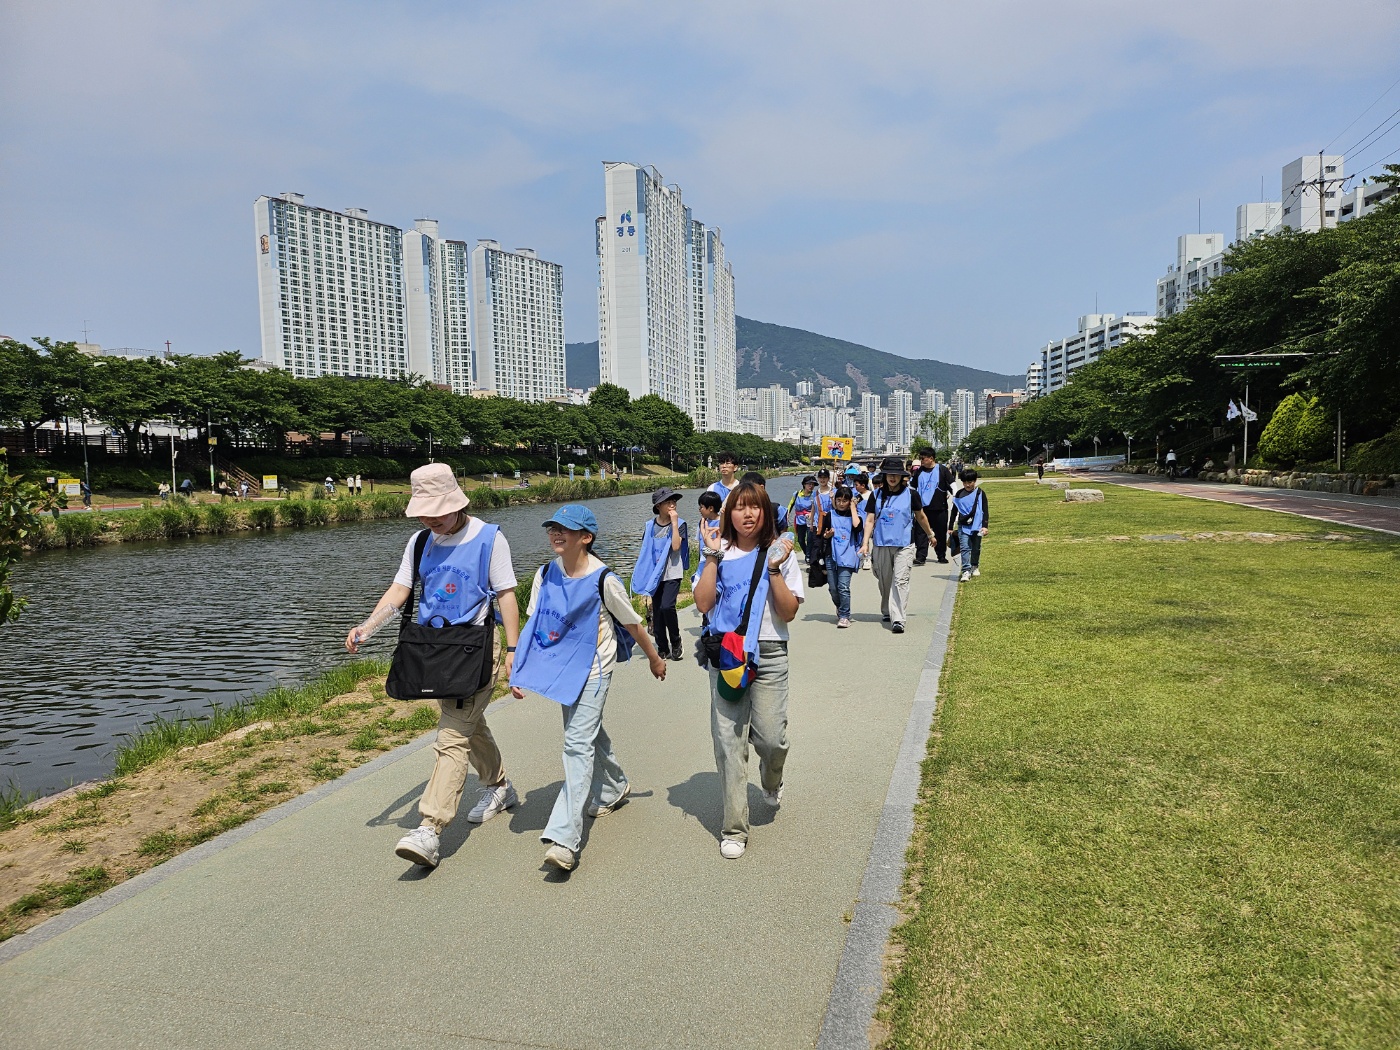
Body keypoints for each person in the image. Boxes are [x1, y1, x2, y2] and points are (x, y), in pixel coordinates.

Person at [346, 463, 522, 870]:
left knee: (452, 733)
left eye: (437, 512)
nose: (431, 519)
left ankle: (430, 827)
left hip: (475, 647)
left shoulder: (489, 538)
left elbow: (507, 596)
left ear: (457, 503)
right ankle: (499, 786)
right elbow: (401, 589)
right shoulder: (420, 541)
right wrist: (368, 627)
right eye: (423, 513)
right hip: (434, 649)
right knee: (468, 724)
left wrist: (514, 649)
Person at [510, 504, 667, 872]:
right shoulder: (545, 573)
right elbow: (535, 623)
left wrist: (655, 659)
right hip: (562, 667)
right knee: (585, 732)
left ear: (586, 537)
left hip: (595, 666)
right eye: (552, 528)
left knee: (576, 742)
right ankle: (614, 786)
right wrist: (518, 668)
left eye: (565, 529)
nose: (555, 534)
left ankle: (565, 837)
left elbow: (633, 625)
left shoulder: (604, 579)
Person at [694, 481, 803, 860]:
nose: (747, 514)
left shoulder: (781, 552)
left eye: (754, 507)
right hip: (726, 654)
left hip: (770, 653)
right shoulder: (718, 552)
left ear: (765, 512)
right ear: (728, 514)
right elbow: (703, 602)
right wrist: (709, 558)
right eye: (738, 507)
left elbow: (789, 612)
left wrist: (773, 568)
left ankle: (772, 780)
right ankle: (735, 828)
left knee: (771, 739)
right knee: (728, 744)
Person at [861, 456, 935, 635]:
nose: (892, 478)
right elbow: (870, 520)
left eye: (896, 474)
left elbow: (921, 516)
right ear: (884, 476)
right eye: (888, 474)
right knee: (885, 580)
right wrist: (865, 544)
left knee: (900, 580)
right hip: (881, 543)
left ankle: (899, 618)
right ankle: (887, 609)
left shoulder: (911, 494)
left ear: (902, 476)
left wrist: (930, 534)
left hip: (904, 544)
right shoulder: (876, 494)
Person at [631, 487, 689, 661]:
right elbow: (645, 551)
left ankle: (676, 641)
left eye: (674, 501)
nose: (672, 505)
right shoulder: (650, 526)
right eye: (668, 502)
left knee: (667, 606)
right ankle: (662, 646)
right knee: (657, 610)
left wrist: (674, 523)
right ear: (658, 505)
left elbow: (676, 546)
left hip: (673, 572)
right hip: (654, 575)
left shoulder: (680, 524)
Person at [822, 485, 863, 628]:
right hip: (831, 555)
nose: (840, 503)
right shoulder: (829, 515)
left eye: (844, 501)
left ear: (849, 501)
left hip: (848, 555)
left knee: (843, 587)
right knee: (833, 588)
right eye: (838, 500)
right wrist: (827, 536)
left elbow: (857, 527)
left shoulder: (855, 516)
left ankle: (845, 615)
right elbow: (822, 535)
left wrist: (853, 508)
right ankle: (840, 607)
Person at [912, 448, 954, 565]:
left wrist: (956, 496)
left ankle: (941, 555)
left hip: (939, 508)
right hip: (922, 509)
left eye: (923, 459)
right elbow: (912, 487)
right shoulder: (919, 472)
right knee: (921, 533)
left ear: (931, 458)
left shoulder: (942, 470)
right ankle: (920, 557)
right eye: (920, 459)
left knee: (940, 532)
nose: (921, 461)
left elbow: (952, 484)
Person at [950, 469, 990, 583]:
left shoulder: (980, 493)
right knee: (965, 548)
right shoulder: (959, 494)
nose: (968, 485)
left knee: (976, 547)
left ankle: (974, 566)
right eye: (965, 482)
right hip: (963, 525)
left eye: (970, 482)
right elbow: (954, 510)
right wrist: (950, 526)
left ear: (975, 481)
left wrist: (985, 526)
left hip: (977, 525)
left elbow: (985, 511)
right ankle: (965, 570)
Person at [788, 476, 818, 563]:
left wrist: (811, 514)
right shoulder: (796, 494)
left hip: (810, 520)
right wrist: (787, 514)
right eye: (809, 484)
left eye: (813, 484)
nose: (811, 486)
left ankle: (808, 557)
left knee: (809, 539)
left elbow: (817, 507)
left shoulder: (815, 495)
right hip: (799, 520)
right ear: (804, 485)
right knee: (800, 540)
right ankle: (808, 554)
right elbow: (790, 505)